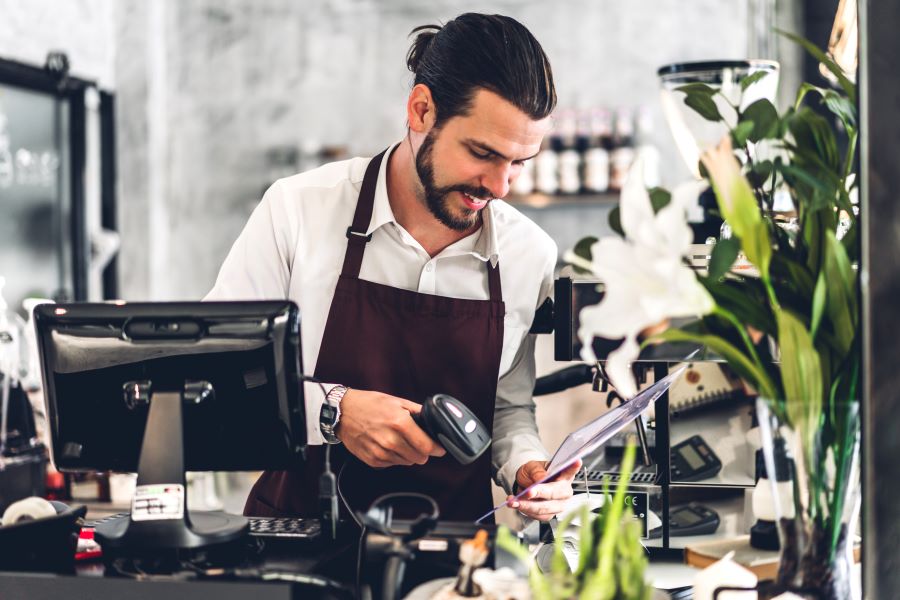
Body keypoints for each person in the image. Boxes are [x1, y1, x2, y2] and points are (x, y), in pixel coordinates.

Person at [206, 12, 580, 523]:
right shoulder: (299, 209)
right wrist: (334, 411)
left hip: (452, 557)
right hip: (299, 538)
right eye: (481, 153)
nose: (500, 186)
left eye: (519, 162)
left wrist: (528, 466)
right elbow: (217, 378)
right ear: (421, 109)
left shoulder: (527, 253)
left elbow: (507, 408)